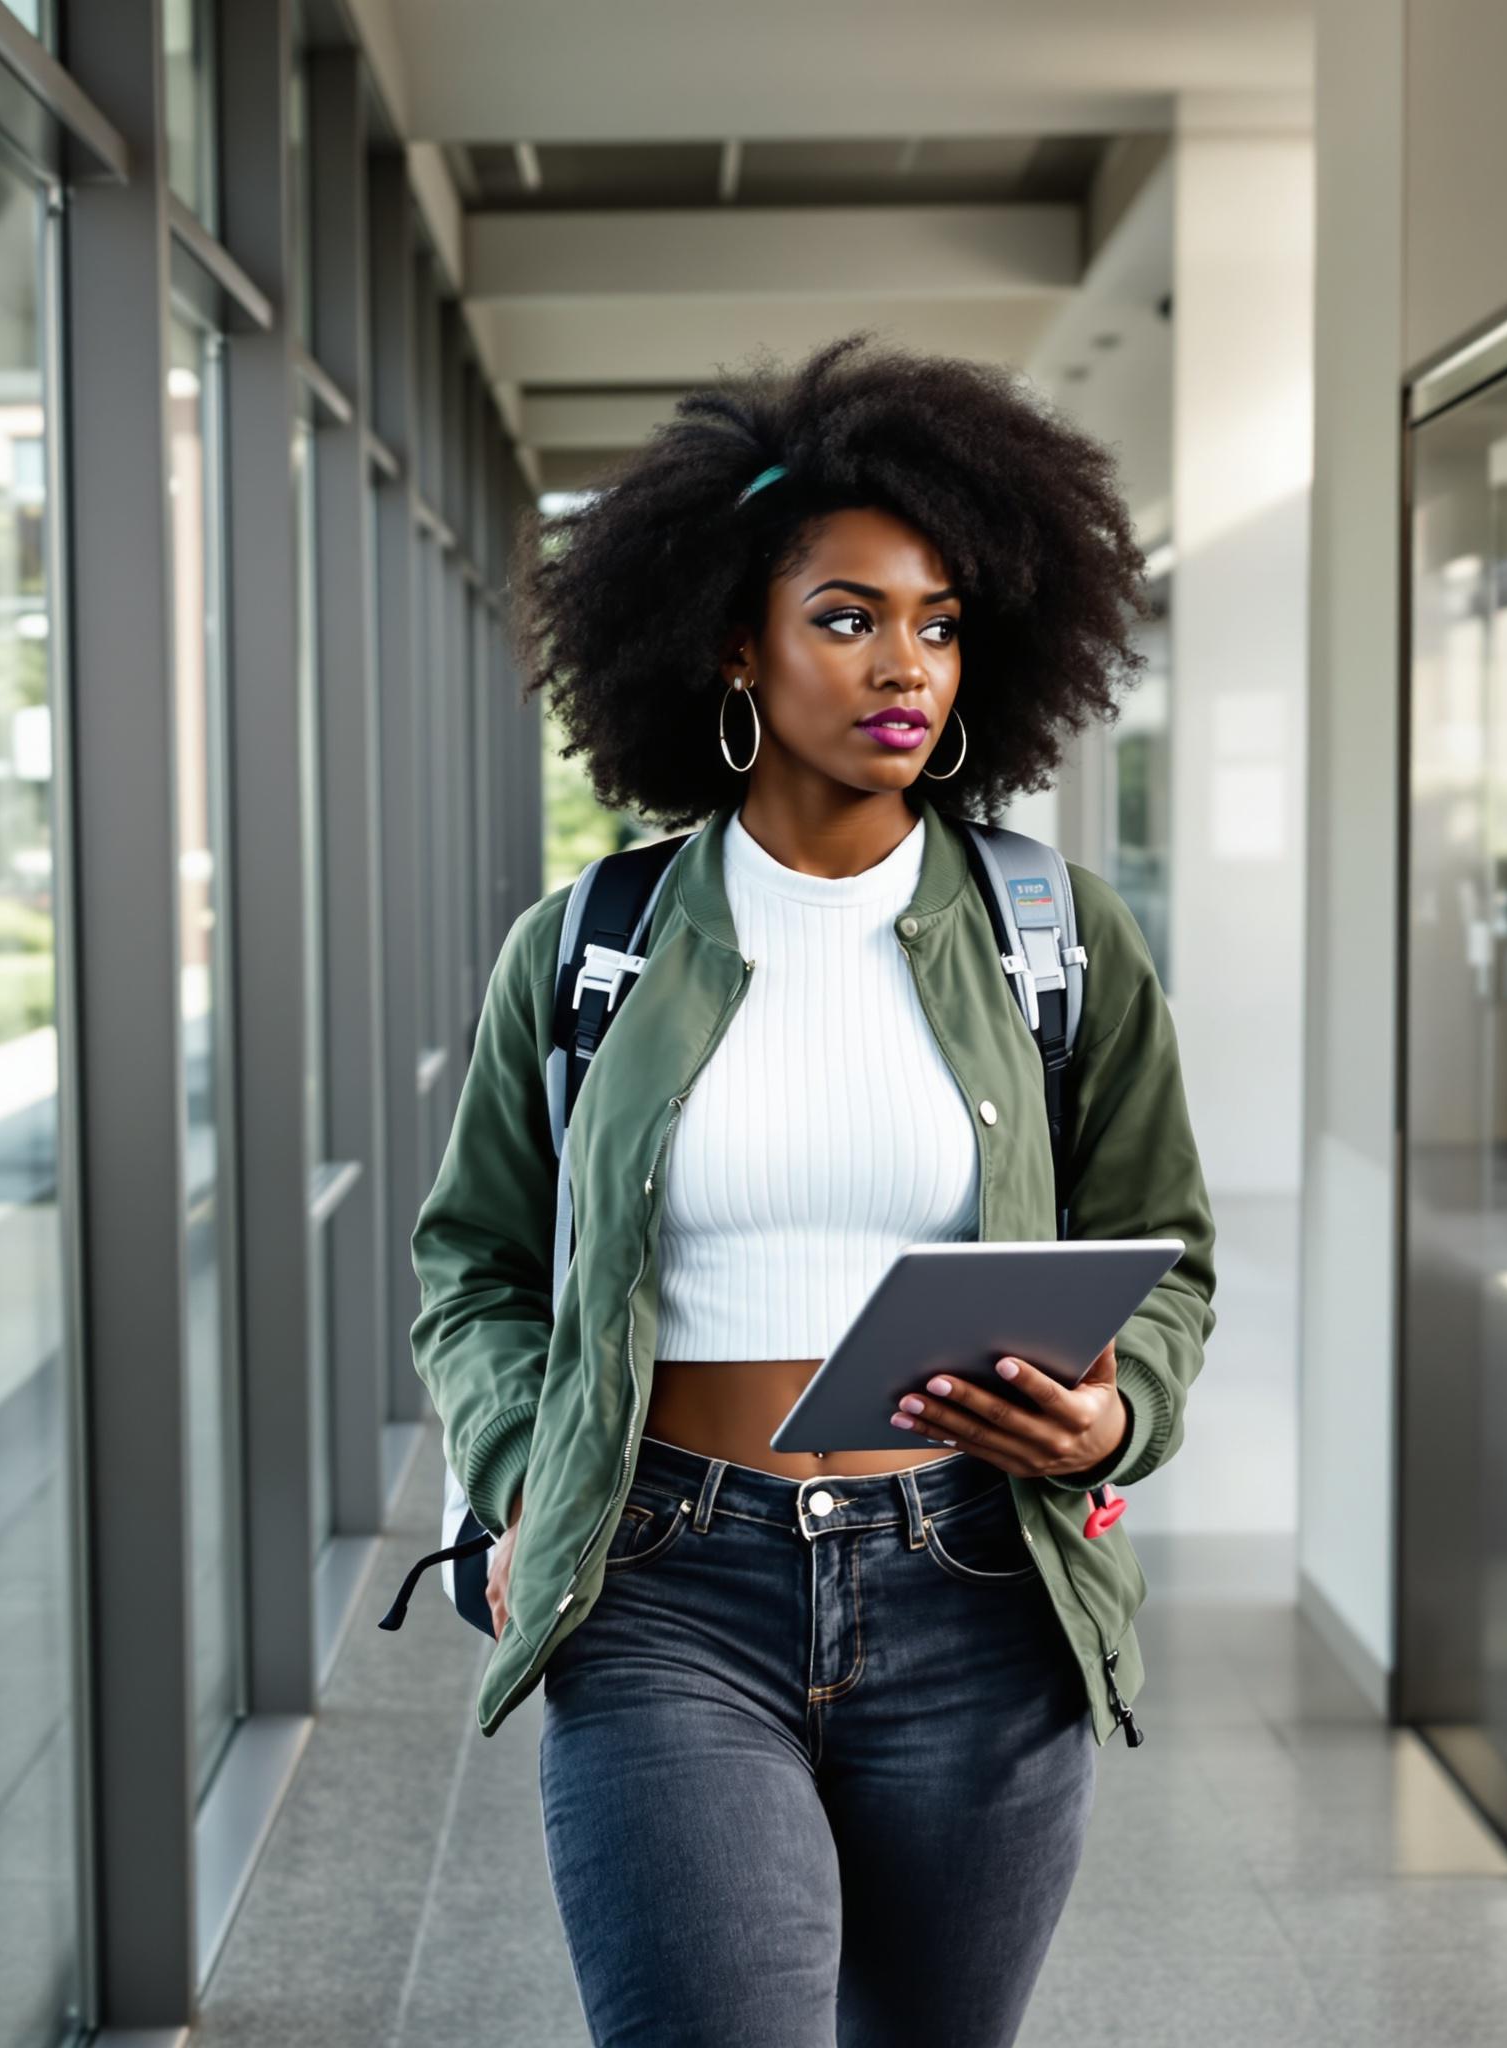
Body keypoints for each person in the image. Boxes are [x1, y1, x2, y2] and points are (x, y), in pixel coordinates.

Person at [408, 333, 1216, 2048]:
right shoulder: (589, 949)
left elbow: (1169, 1255)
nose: (902, 664)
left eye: (936, 621)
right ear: (735, 645)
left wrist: (1112, 1414)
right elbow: (473, 1264)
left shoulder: (1057, 938)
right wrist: (518, 1468)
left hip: (979, 1590)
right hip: (664, 1579)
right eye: (846, 616)